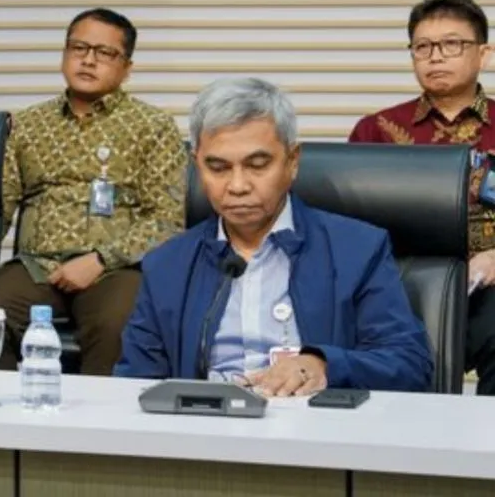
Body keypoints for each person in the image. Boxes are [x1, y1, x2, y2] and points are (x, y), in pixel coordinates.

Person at [116, 78, 432, 394]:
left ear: (292, 161)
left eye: (257, 165)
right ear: (197, 165)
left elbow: (409, 365)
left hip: (311, 417)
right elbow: (134, 385)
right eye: (219, 168)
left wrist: (324, 365)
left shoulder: (357, 249)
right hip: (205, 420)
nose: (237, 186)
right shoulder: (167, 264)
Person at [0, 8, 187, 375]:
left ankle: (98, 412)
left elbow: (166, 221)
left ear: (127, 67)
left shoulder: (153, 126)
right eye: (79, 48)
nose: (88, 59)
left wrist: (101, 259)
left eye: (104, 52)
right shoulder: (26, 124)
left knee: (119, 325)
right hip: (37, 267)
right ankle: (5, 408)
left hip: (116, 269)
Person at [348, 0, 495, 393]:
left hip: (488, 291)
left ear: (483, 54)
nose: (435, 57)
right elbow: (348, 225)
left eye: (452, 44)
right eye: (423, 47)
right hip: (395, 292)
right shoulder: (375, 131)